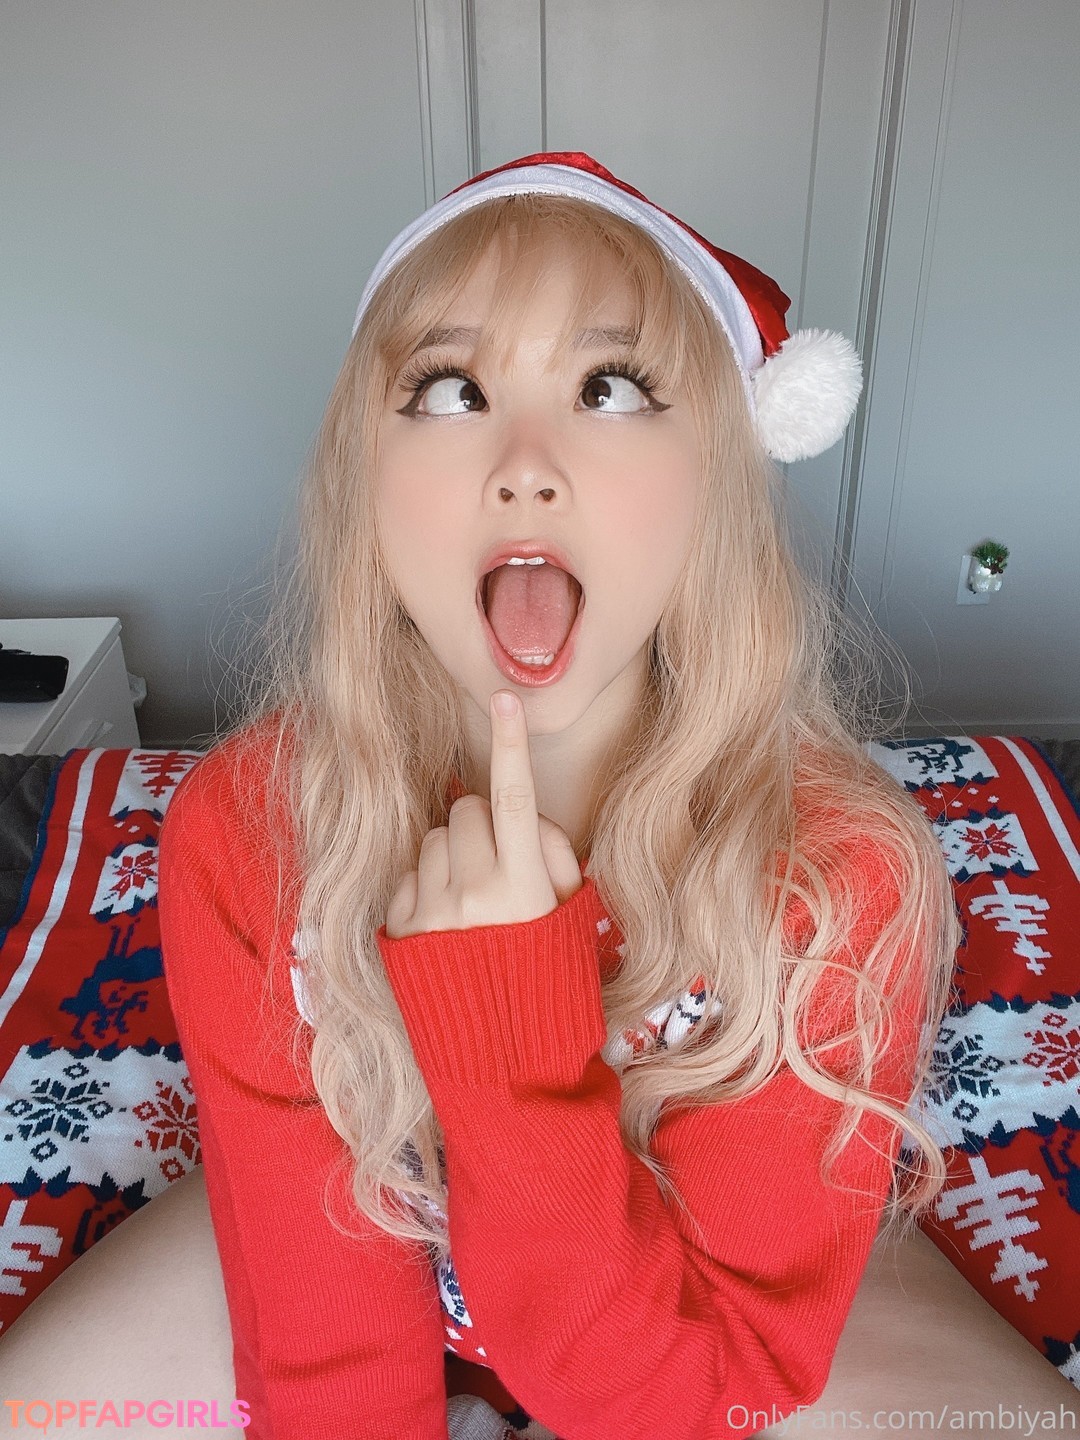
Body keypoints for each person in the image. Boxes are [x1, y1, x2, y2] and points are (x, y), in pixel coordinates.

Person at [2, 153, 1076, 1440]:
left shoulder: (842, 869)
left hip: (687, 1303)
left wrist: (508, 1028)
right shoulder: (250, 825)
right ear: (365, 476)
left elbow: (689, 1403)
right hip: (391, 1222)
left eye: (609, 388)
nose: (525, 465)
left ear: (716, 478)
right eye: (451, 390)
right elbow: (326, 1351)